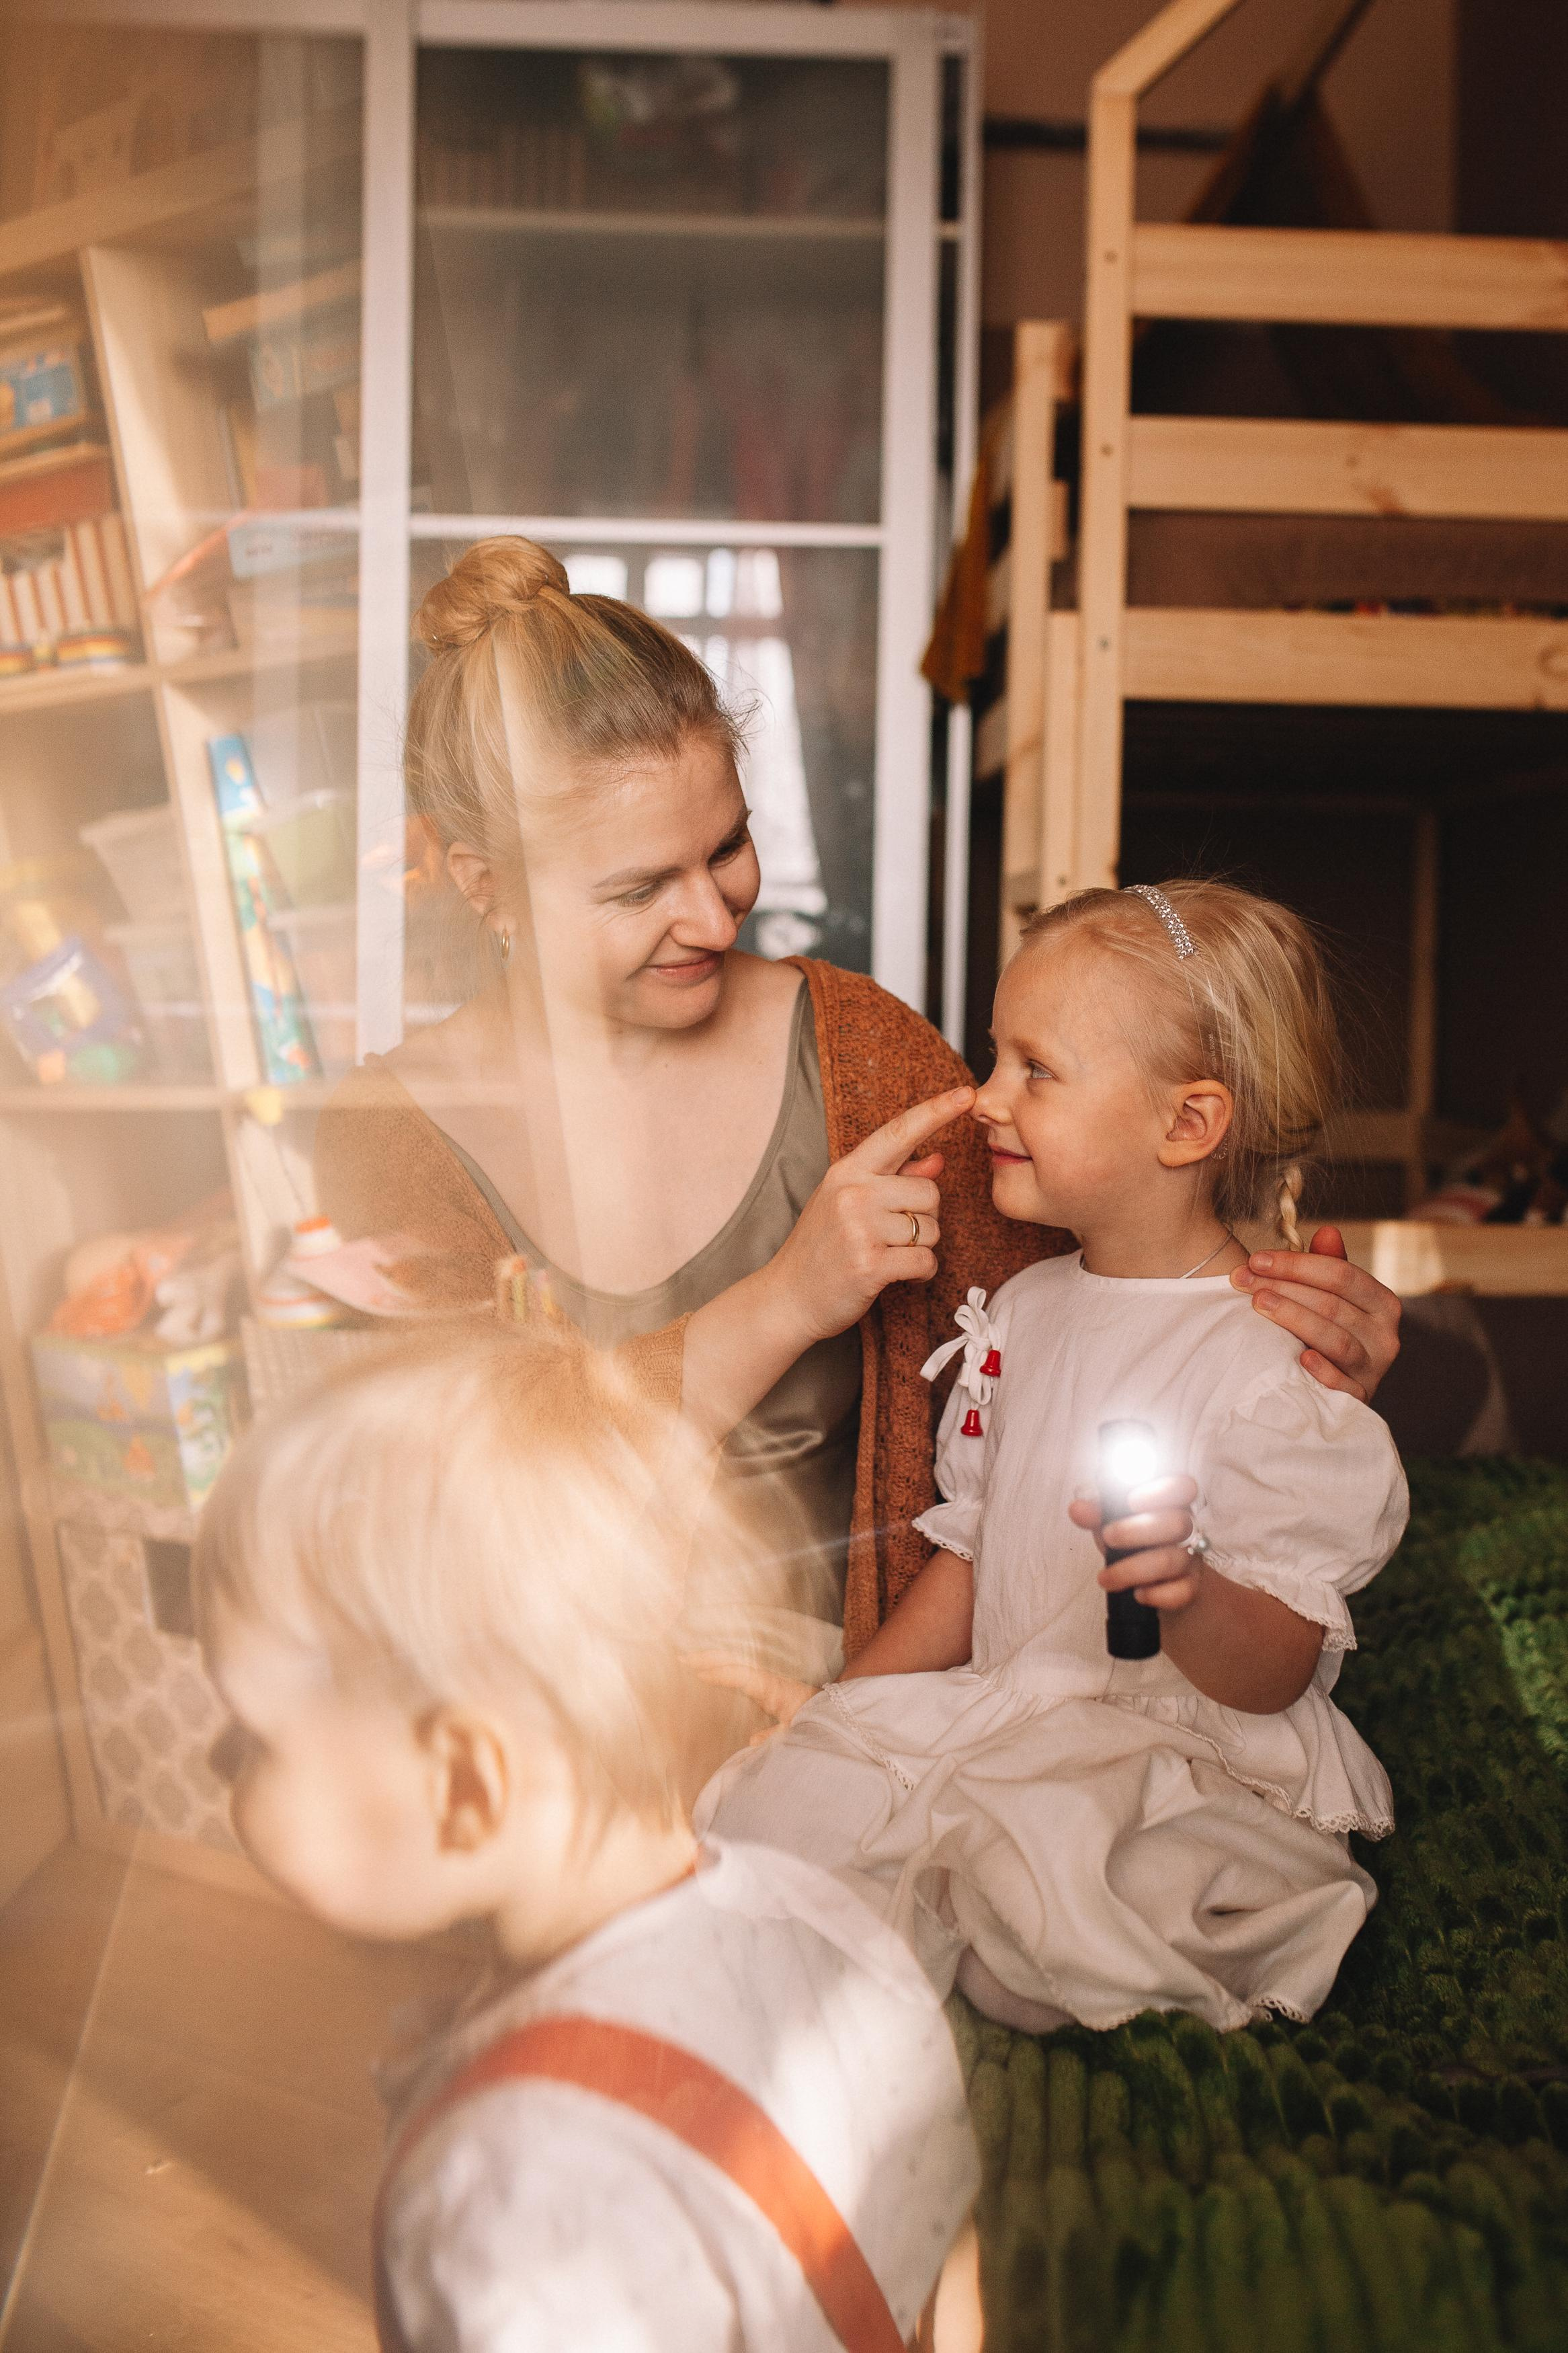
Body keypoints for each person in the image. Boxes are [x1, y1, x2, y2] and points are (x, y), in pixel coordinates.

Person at [317, 536, 1404, 1661]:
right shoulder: (388, 1139)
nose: (715, 917)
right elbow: (453, 1498)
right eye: (640, 887)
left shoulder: (856, 1049)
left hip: (850, 1681)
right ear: (483, 884)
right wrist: (786, 1299)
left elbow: (1080, 1317)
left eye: (728, 846)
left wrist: (1276, 1354)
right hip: (540, 1685)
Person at [698, 881, 1408, 2036]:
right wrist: (839, 1711)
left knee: (1058, 1888)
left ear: (1186, 1126)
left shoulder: (1272, 1356)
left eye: (1036, 1070)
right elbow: (971, 1556)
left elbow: (1270, 1669)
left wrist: (1178, 1585)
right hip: (1011, 1710)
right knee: (789, 1808)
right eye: (994, 1056)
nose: (982, 1098)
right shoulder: (1020, 1313)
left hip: (1167, 1753)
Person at [195, 1320, 981, 2352]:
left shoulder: (509, 2193)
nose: (220, 1762)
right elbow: (947, 2272)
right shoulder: (831, 1920)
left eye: (253, 1738)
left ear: (467, 1784)